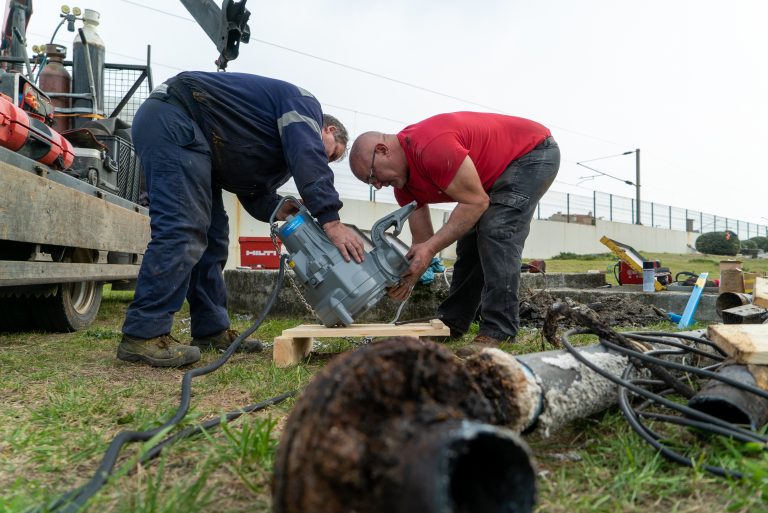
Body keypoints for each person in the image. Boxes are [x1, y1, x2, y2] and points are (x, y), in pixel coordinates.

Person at [117, 71, 364, 367]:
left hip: (198, 142)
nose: (325, 161)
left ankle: (211, 330)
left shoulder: (273, 146)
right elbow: (308, 155)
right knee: (182, 228)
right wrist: (331, 220)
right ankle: (143, 334)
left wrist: (280, 207)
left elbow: (251, 189)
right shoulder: (304, 105)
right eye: (331, 154)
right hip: (176, 117)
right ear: (328, 129)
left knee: (214, 238)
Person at [349, 112, 559, 355]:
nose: (377, 185)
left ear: (383, 150)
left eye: (373, 176)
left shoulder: (430, 147)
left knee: (497, 230)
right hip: (492, 175)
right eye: (371, 183)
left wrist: (429, 249)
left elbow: (476, 202)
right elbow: (424, 242)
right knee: (469, 243)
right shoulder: (403, 186)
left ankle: (499, 331)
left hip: (532, 152)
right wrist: (409, 276)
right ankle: (452, 322)